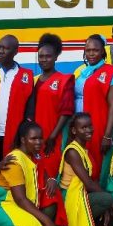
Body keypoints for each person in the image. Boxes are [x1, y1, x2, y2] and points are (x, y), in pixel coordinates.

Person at [28, 33, 75, 215]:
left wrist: (53, 136)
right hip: (35, 139)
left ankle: (57, 216)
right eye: (41, 56)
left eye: (48, 56)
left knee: (52, 176)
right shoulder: (34, 81)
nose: (44, 60)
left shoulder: (64, 80)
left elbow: (66, 112)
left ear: (56, 57)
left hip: (53, 138)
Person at [58, 113, 113, 226]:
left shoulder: (83, 149)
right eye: (83, 127)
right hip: (69, 197)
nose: (89, 130)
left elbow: (91, 181)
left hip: (80, 194)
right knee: (107, 199)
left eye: (90, 126)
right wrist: (109, 201)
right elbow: (89, 183)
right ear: (74, 131)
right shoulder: (73, 151)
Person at [74, 34, 113, 179]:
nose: (91, 54)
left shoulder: (112, 73)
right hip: (78, 125)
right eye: (88, 50)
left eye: (95, 50)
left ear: (102, 51)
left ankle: (98, 190)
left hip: (97, 125)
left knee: (97, 162)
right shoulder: (81, 72)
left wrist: (107, 136)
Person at [0, 34, 34, 160]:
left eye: (5, 48)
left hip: (13, 132)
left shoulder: (26, 75)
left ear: (15, 51)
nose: (0, 51)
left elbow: (30, 108)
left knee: (10, 166)